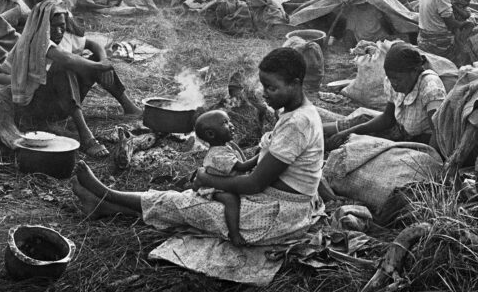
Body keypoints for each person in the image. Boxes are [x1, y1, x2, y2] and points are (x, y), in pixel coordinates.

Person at [69, 47, 325, 247]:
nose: (264, 93)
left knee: (188, 204)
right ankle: (105, 206)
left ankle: (106, 194)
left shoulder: (298, 123)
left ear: (295, 82)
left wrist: (205, 178)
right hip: (276, 200)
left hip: (277, 215)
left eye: (272, 87)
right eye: (263, 85)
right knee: (189, 202)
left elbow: (254, 184)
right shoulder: (295, 114)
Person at [0, 1, 143, 157]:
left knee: (92, 61)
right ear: (43, 26)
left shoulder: (63, 36)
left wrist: (102, 61)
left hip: (61, 102)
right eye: (53, 26)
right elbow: (66, 59)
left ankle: (129, 107)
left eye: (62, 25)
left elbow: (94, 44)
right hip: (35, 107)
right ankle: (86, 137)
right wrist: (102, 66)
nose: (60, 31)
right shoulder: (35, 40)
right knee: (64, 68)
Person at [325, 44, 446, 148]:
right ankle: (318, 132)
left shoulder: (431, 88)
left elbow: (439, 133)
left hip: (422, 142)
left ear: (413, 71)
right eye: (391, 78)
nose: (394, 83)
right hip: (401, 132)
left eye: (398, 79)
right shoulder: (392, 83)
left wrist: (430, 161)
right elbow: (388, 118)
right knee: (362, 121)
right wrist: (348, 132)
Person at [194, 110, 259, 246]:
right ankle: (234, 234)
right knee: (231, 200)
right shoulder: (218, 154)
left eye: (229, 121)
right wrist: (262, 154)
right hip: (216, 187)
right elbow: (242, 166)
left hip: (226, 181)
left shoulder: (225, 146)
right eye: (225, 123)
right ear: (211, 134)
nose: (231, 125)